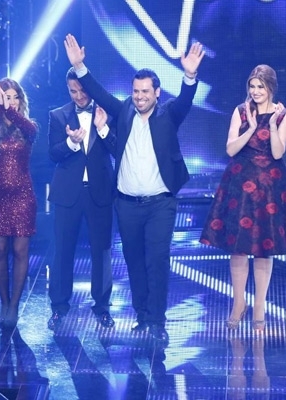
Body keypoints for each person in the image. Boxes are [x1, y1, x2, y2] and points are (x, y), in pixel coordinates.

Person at [63, 33, 205, 344]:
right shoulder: (124, 110)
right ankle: (142, 316)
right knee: (134, 261)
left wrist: (189, 75)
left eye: (145, 92)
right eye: (136, 91)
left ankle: (157, 320)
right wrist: (80, 67)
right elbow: (99, 93)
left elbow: (185, 100)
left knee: (157, 260)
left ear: (157, 93)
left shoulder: (169, 114)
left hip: (160, 204)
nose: (139, 97)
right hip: (126, 204)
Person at [199, 65, 286, 332]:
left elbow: (278, 153)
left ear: (271, 88)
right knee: (238, 248)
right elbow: (230, 149)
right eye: (252, 86)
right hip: (240, 186)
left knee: (263, 248)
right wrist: (250, 126)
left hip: (269, 187)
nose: (256, 91)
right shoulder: (240, 111)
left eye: (261, 87)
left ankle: (259, 306)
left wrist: (271, 125)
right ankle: (239, 303)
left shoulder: (283, 115)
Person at [46, 66, 117, 330]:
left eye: (82, 90)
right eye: (73, 91)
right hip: (68, 194)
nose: (78, 96)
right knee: (62, 251)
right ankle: (59, 306)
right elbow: (52, 153)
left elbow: (119, 149)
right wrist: (71, 143)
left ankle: (102, 307)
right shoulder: (58, 115)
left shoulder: (107, 113)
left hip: (100, 192)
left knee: (102, 251)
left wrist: (102, 128)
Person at [0, 78, 38, 329]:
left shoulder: (27, 127)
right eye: (7, 97)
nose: (12, 102)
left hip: (22, 197)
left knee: (20, 251)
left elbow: (30, 130)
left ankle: (14, 305)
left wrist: (8, 110)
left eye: (16, 97)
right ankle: (4, 302)